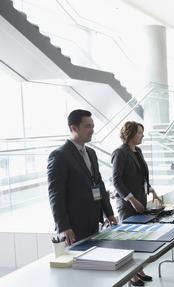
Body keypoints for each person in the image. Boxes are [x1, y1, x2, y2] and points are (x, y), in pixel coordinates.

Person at [47, 109, 117, 246]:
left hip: (93, 221)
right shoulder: (59, 155)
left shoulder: (91, 152)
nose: (91, 130)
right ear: (73, 128)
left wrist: (109, 213)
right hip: (74, 226)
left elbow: (99, 184)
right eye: (87, 126)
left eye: (93, 126)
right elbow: (56, 194)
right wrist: (63, 226)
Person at [111, 121, 162, 286]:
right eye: (140, 132)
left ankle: (139, 270)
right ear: (130, 134)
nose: (142, 135)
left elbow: (143, 178)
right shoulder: (120, 153)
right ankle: (131, 275)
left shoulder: (137, 151)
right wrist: (132, 200)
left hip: (141, 200)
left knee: (140, 238)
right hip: (128, 204)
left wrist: (152, 192)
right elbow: (116, 181)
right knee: (128, 239)